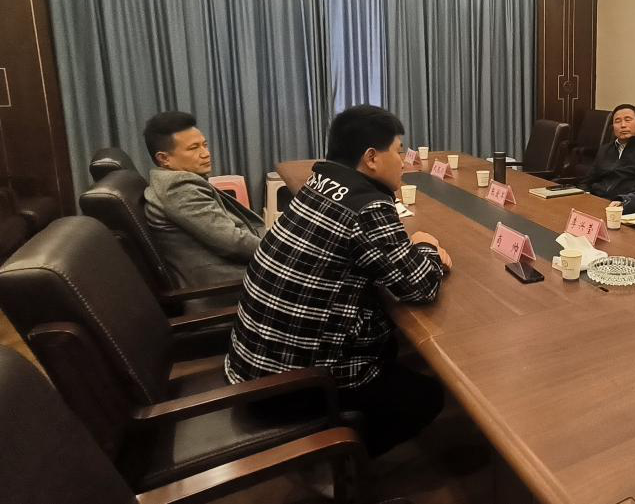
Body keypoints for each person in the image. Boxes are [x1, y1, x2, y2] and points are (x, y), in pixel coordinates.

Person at [225, 104, 451, 456]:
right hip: (294, 386)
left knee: (391, 340)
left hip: (253, 367)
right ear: (371, 158)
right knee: (429, 396)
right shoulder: (366, 207)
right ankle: (340, 457)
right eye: (399, 151)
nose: (404, 162)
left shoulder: (318, 185)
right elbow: (420, 286)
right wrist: (428, 247)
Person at [143, 111, 265, 286]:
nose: (205, 153)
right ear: (164, 158)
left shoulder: (170, 180)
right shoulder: (178, 187)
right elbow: (231, 242)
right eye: (194, 148)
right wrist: (280, 253)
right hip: (228, 283)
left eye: (204, 145)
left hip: (232, 269)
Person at [579, 104, 635, 199]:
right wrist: (582, 195)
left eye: (628, 120)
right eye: (617, 121)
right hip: (596, 199)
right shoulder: (605, 149)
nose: (623, 125)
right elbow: (587, 180)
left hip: (624, 202)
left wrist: (620, 200)